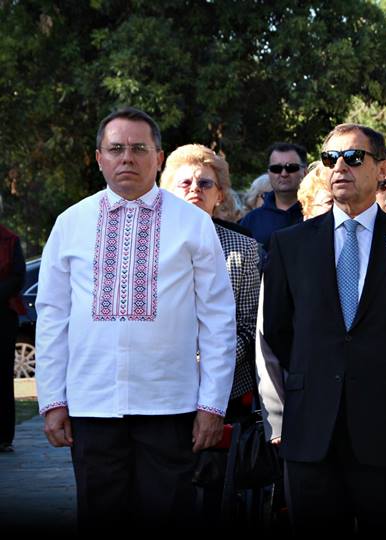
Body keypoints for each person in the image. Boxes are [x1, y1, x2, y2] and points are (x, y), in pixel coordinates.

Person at [35, 107, 236, 530]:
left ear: (158, 158)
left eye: (139, 148)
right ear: (99, 158)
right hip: (92, 404)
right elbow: (52, 316)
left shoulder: (193, 224)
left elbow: (218, 320)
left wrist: (212, 404)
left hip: (170, 405)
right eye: (116, 149)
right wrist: (52, 400)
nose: (127, 157)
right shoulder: (70, 223)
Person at [258, 123, 386, 532]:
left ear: (381, 169)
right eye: (331, 159)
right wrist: (322, 369)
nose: (340, 167)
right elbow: (278, 330)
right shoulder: (290, 244)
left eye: (353, 158)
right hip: (312, 428)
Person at [160, 144, 261, 418]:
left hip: (227, 392)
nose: (195, 188)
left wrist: (210, 361)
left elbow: (250, 325)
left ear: (220, 195)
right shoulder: (149, 246)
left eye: (205, 183)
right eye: (185, 183)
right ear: (168, 192)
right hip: (161, 386)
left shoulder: (243, 248)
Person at [239, 142, 307, 248]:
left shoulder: (317, 213)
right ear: (269, 173)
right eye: (276, 169)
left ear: (305, 172)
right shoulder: (251, 220)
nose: (284, 174)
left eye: (291, 168)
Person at [0, 206, 25, 453]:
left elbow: (18, 277)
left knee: (3, 377)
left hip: (3, 315)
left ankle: (3, 435)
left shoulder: (10, 239)